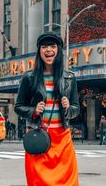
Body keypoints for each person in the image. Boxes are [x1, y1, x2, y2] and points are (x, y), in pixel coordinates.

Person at [14, 31, 79, 186]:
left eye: (52, 46)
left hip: (63, 140)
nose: (48, 50)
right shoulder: (29, 77)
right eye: (44, 46)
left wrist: (69, 108)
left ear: (58, 50)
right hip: (39, 138)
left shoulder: (69, 78)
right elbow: (18, 107)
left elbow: (76, 108)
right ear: (39, 51)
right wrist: (34, 110)